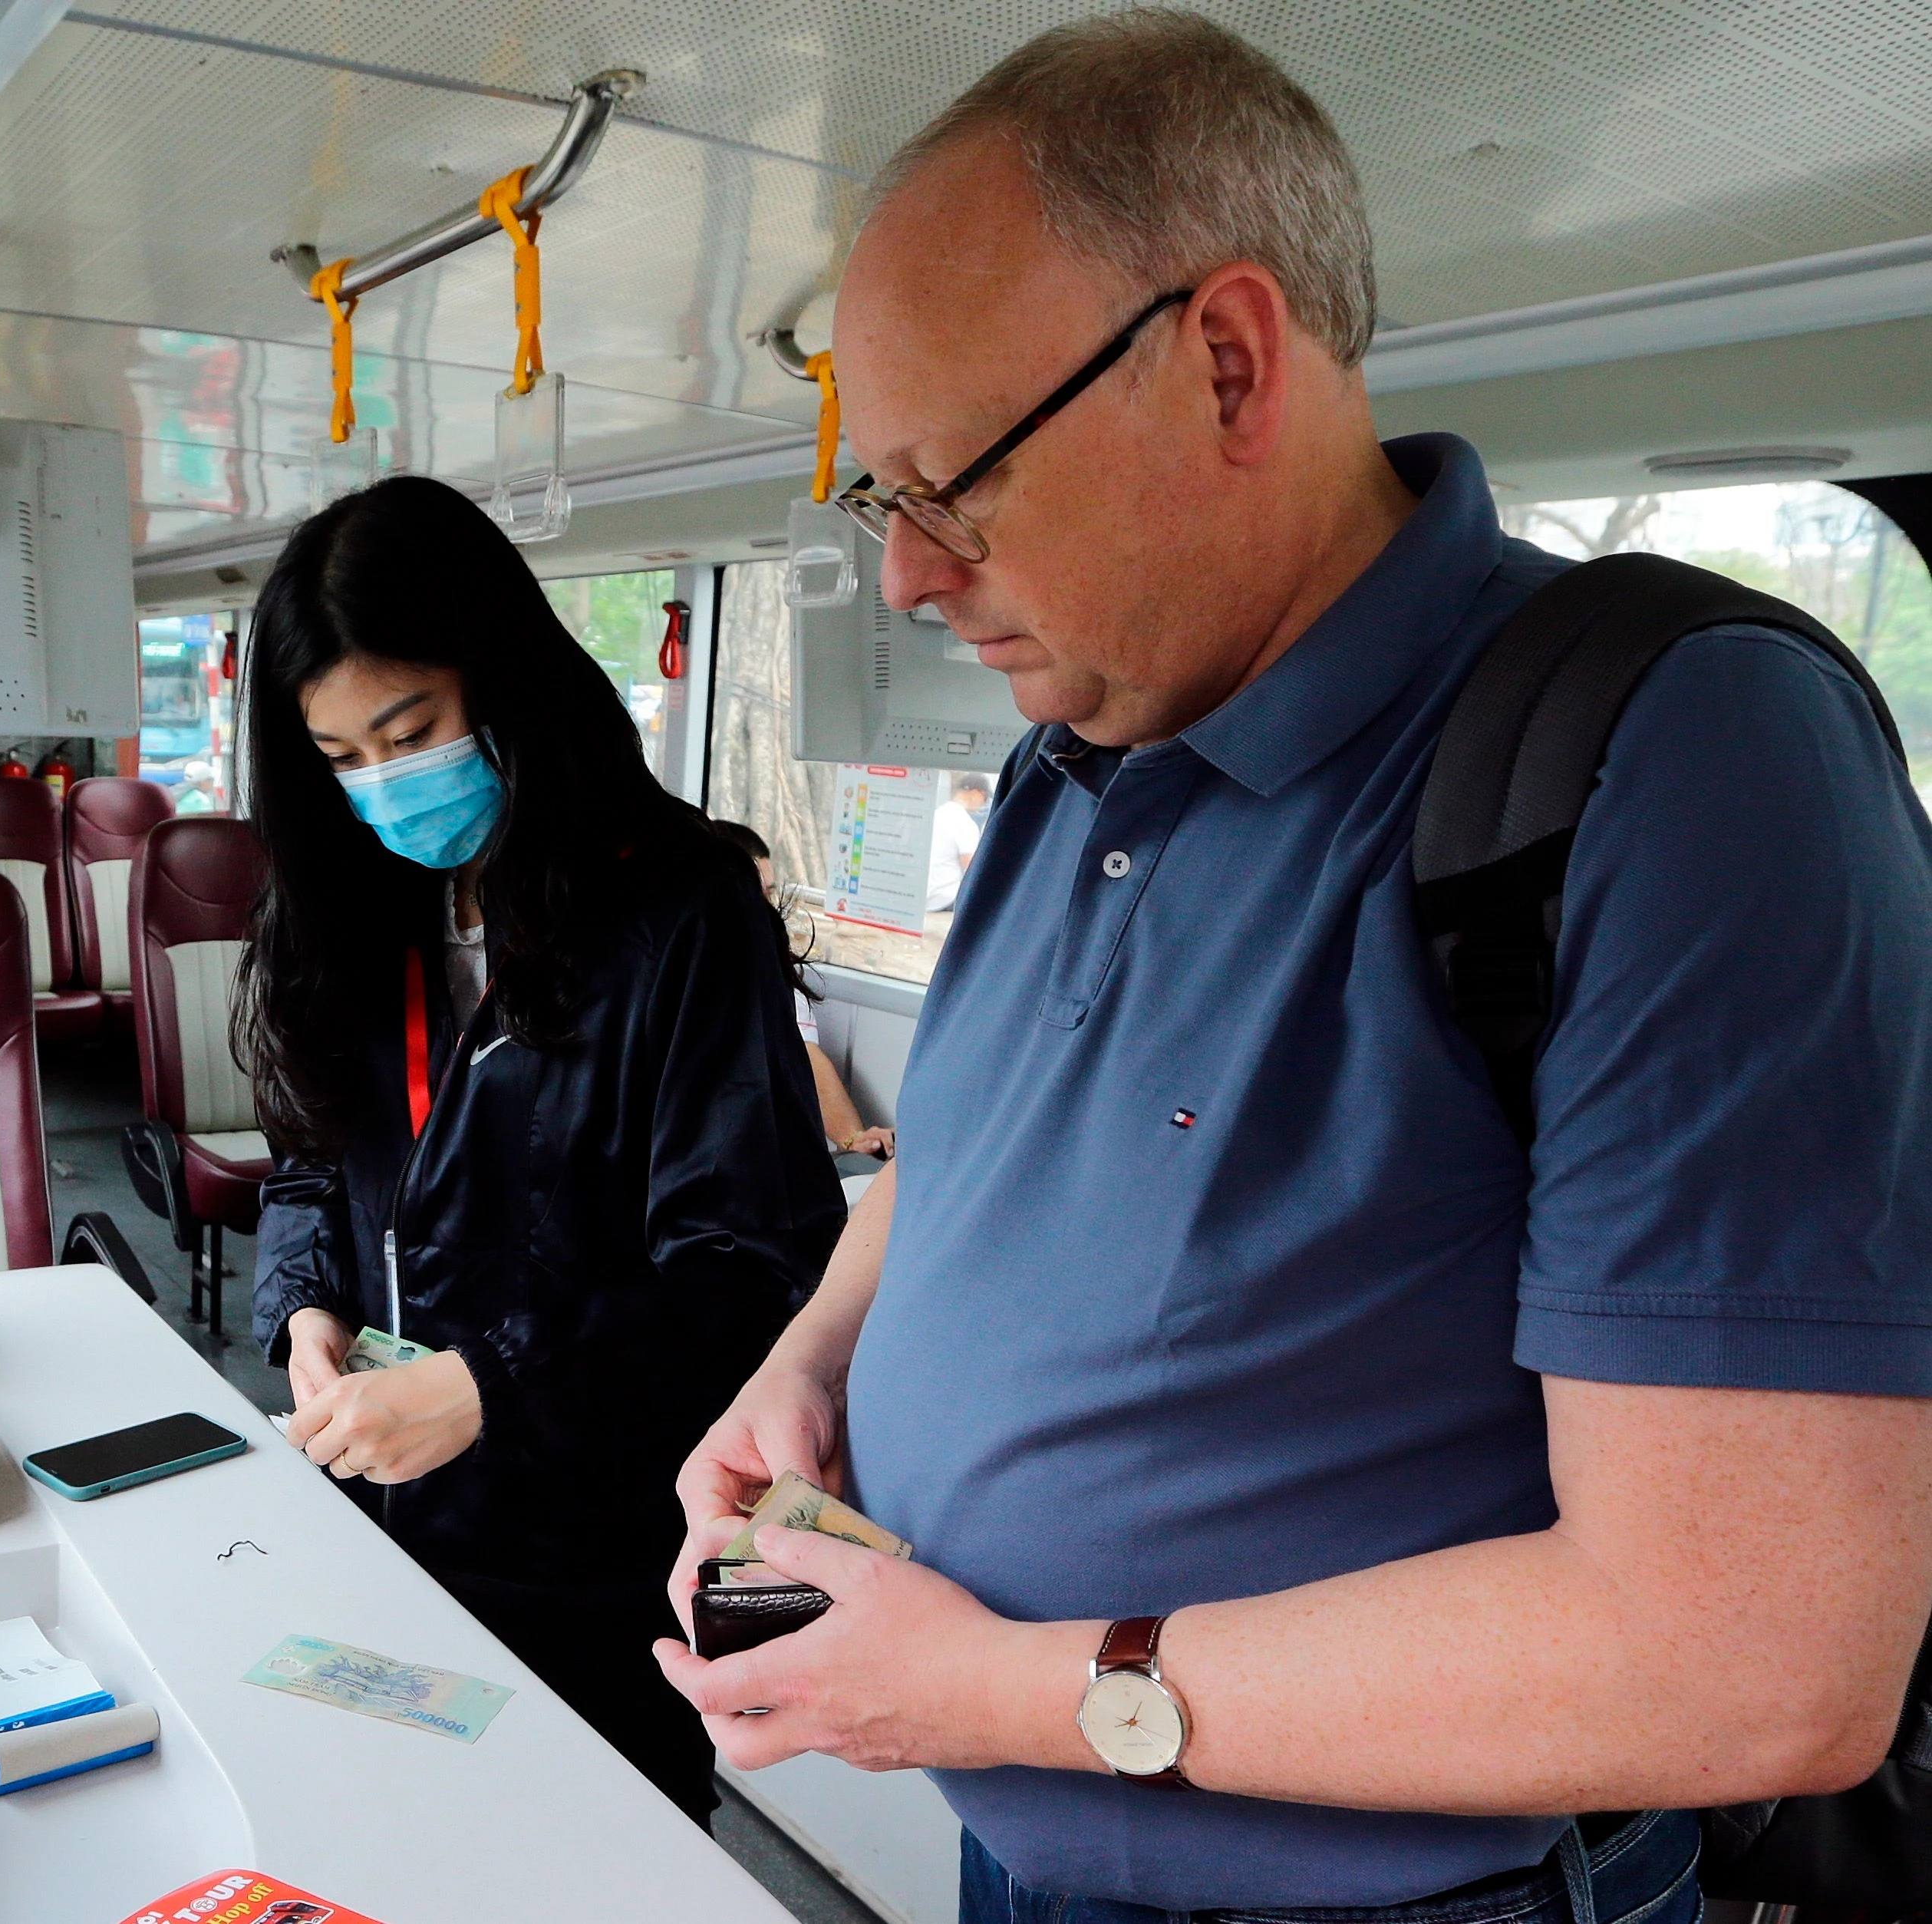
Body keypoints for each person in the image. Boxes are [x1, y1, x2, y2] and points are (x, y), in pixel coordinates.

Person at [659, 13, 1932, 1924]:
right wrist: (810, 1356)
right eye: (876, 502)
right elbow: (961, 1159)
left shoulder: (1675, 756)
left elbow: (1751, 1661)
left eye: (949, 486)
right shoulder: (1067, 750)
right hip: (1027, 1850)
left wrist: (993, 1687)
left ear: (1226, 366)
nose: (908, 577)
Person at [239, 475, 846, 1822]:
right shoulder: (350, 919)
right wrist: (306, 1313)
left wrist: (485, 1386)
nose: (384, 786)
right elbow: (305, 1165)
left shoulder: (680, 915)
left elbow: (745, 1272)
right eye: (341, 761)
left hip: (600, 1548)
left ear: (504, 678)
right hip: (387, 1536)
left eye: (410, 730)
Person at [706, 817, 895, 1158]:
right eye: (753, 892)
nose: (765, 907)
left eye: (769, 891)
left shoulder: (772, 969)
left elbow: (803, 1054)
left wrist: (853, 1139)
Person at [922, 772, 989, 920]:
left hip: (925, 897)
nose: (984, 804)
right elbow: (971, 868)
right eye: (985, 798)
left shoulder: (937, 814)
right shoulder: (964, 823)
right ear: (977, 793)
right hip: (945, 899)